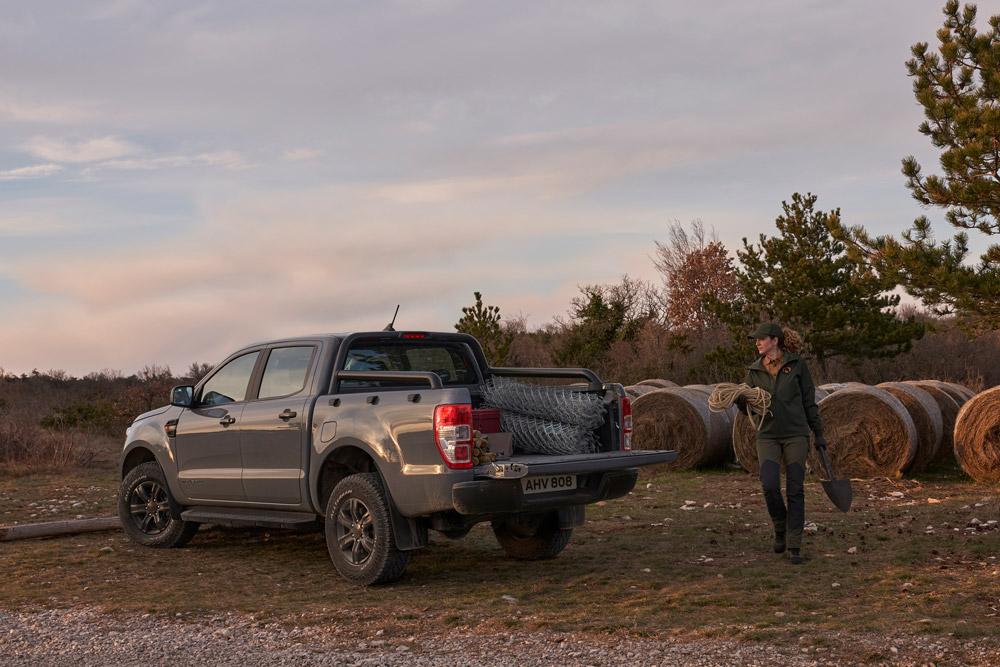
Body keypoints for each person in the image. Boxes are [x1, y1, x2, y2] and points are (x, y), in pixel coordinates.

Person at [737, 322, 825, 565]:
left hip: (796, 434)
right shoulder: (754, 370)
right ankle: (780, 528)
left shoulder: (797, 365)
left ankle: (794, 544)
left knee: (796, 489)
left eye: (761, 339)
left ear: (775, 340)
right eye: (755, 339)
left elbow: (809, 401)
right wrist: (740, 402)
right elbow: (749, 410)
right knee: (770, 486)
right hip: (767, 435)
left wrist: (818, 434)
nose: (757, 342)